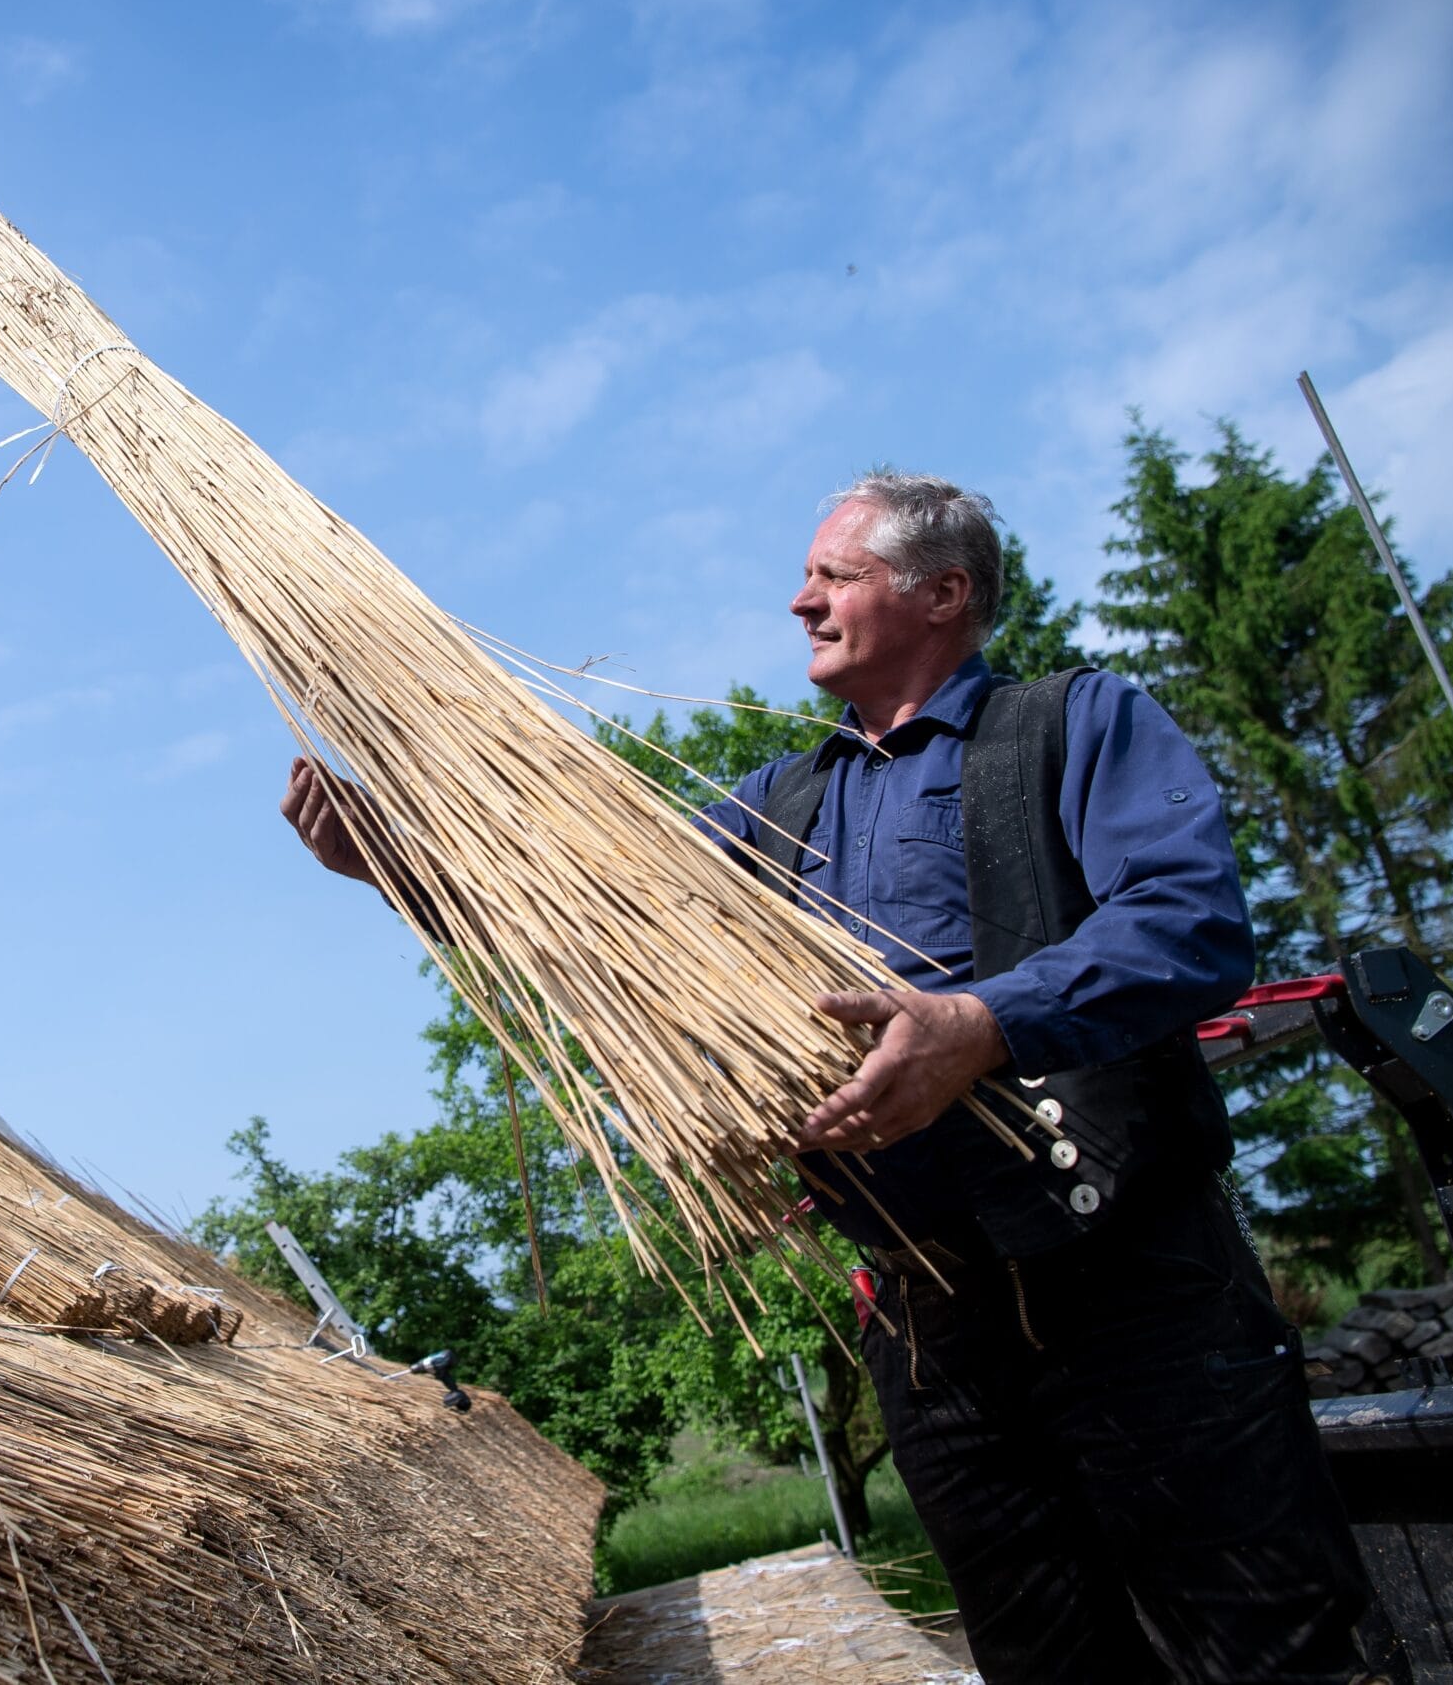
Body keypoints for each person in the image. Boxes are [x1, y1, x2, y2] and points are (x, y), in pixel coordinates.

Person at [279, 470, 1375, 1683]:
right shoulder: (778, 810)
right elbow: (608, 920)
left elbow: (1190, 924)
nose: (798, 602)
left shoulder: (1071, 724)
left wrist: (980, 1023)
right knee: (1044, 1659)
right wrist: (408, 869)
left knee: (1260, 1648)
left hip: (1133, 1284)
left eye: (831, 577)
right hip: (931, 1325)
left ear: (942, 592)